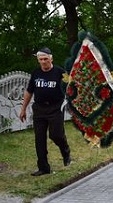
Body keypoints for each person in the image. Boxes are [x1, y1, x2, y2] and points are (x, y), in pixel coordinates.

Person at [19, 47, 71, 176]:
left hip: (56, 108)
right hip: (39, 109)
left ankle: (65, 151)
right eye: (41, 59)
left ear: (51, 58)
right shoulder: (36, 73)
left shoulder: (60, 72)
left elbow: (71, 87)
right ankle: (43, 167)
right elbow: (29, 91)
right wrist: (23, 109)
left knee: (56, 135)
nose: (43, 62)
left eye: (46, 59)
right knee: (39, 139)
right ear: (38, 60)